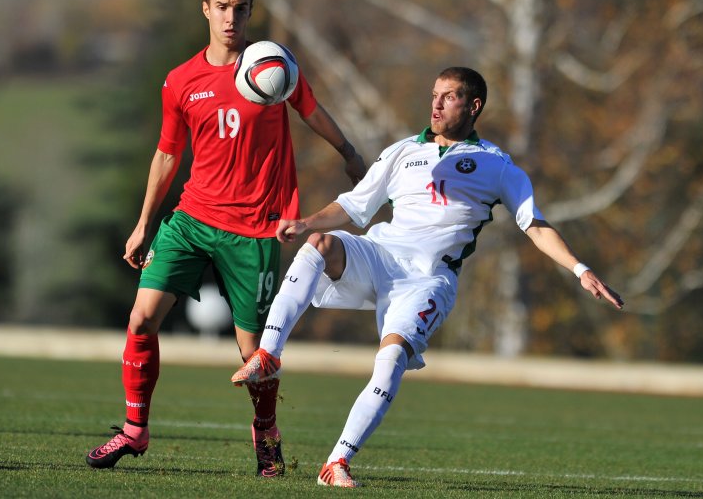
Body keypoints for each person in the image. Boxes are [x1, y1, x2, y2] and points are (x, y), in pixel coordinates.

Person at [231, 66, 624, 487]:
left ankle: (337, 462)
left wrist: (580, 269)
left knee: (392, 359)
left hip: (428, 280)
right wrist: (308, 223)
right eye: (434, 94)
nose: (435, 103)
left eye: (449, 96)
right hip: (380, 254)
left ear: (473, 106)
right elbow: (353, 206)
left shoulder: (497, 165)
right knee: (321, 244)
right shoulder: (402, 151)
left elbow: (535, 225)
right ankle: (268, 354)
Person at [85, 0, 366, 476]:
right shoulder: (180, 81)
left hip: (254, 229)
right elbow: (167, 154)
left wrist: (349, 153)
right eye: (222, 8)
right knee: (141, 318)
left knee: (254, 354)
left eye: (240, 9)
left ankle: (266, 436)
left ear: (251, 12)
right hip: (192, 218)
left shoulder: (274, 65)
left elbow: (311, 109)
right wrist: (145, 222)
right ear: (206, 10)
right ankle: (134, 429)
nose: (231, 18)